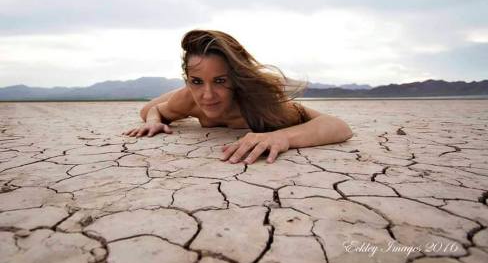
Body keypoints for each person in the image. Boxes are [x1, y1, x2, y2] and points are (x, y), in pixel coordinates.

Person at [123, 29, 353, 164]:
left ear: (236, 79)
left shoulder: (261, 104)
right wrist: (154, 122)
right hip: (181, 99)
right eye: (196, 81)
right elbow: (156, 111)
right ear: (187, 80)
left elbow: (339, 126)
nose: (208, 95)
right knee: (145, 111)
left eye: (220, 81)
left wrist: (283, 137)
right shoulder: (189, 98)